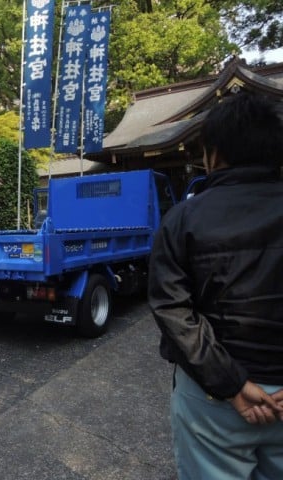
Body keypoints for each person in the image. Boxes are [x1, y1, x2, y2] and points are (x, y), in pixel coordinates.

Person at [148, 92, 283, 480]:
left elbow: (174, 311)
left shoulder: (183, 219)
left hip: (214, 397)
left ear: (215, 153)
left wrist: (234, 385)